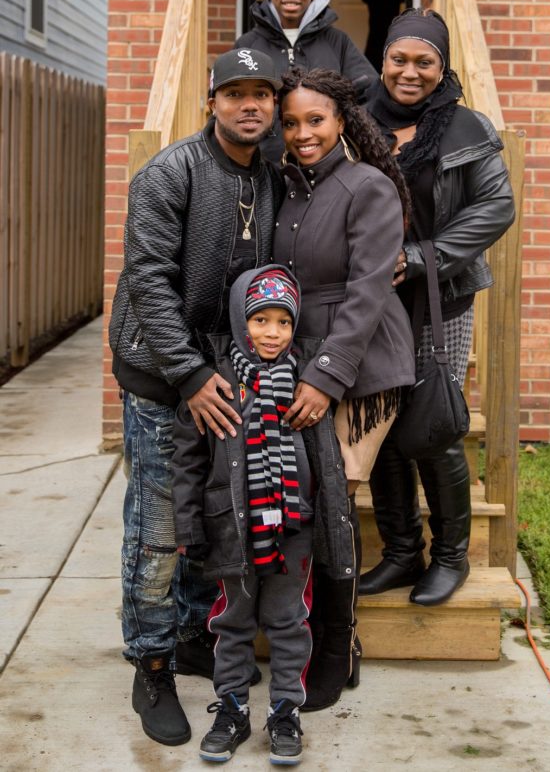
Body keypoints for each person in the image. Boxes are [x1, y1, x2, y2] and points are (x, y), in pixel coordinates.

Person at [108, 48, 284, 747]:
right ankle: (149, 664)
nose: (250, 105)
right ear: (211, 100)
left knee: (203, 521)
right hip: (163, 378)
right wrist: (188, 375)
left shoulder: (268, 177)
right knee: (156, 530)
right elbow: (149, 279)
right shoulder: (170, 172)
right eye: (235, 93)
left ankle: (187, 637)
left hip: (222, 377)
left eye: (262, 94)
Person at [358, 9, 515, 606]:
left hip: (439, 296)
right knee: (383, 422)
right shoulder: (358, 121)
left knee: (435, 422)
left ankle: (451, 558)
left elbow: (495, 207)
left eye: (425, 61)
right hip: (373, 299)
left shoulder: (465, 128)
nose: (410, 72)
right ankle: (402, 553)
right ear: (384, 59)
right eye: (400, 58)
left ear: (442, 66)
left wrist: (425, 257)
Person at [272, 67, 415, 711]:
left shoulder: (370, 187)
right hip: (296, 357)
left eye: (316, 120)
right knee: (302, 494)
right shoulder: (286, 188)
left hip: (364, 363)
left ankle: (339, 644)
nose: (303, 133)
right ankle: (309, 633)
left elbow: (367, 294)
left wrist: (326, 378)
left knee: (337, 495)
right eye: (292, 121)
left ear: (341, 121)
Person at [172, 264, 354, 766]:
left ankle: (284, 711)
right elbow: (187, 458)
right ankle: (231, 707)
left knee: (289, 619)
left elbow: (327, 464)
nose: (272, 333)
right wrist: (187, 524)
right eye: (260, 320)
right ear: (240, 321)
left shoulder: (306, 381)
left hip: (292, 525)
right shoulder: (215, 383)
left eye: (283, 322)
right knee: (232, 620)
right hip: (232, 524)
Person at [235, 0, 376, 160]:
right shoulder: (247, 45)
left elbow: (370, 91)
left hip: (325, 166)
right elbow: (231, 101)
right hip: (263, 165)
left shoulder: (337, 42)